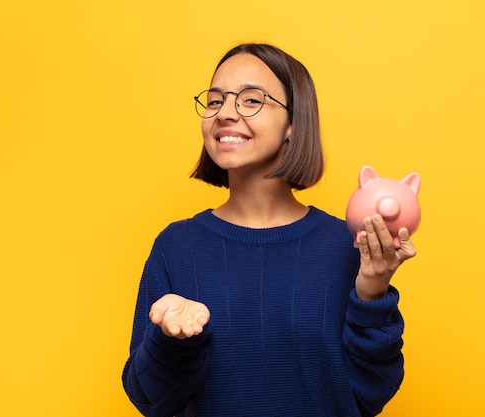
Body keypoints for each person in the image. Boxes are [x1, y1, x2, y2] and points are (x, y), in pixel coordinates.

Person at [122, 43, 417, 417]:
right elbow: (150, 400)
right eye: (214, 101)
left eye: (250, 100)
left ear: (294, 124)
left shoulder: (347, 245)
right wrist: (170, 339)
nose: (225, 113)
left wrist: (372, 292)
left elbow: (372, 392)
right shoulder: (176, 248)